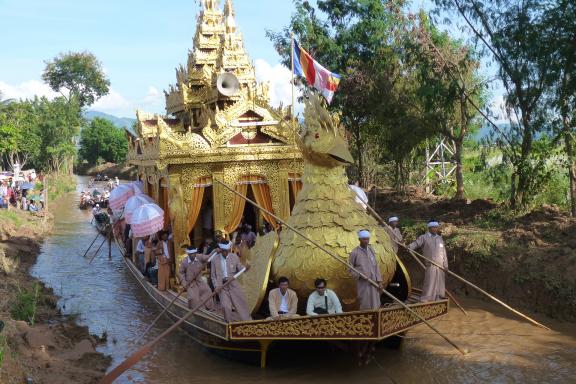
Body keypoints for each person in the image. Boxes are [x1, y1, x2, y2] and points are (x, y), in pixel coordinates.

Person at [210, 241, 252, 322]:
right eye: (223, 251)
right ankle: (228, 324)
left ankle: (248, 322)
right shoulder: (214, 259)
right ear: (221, 250)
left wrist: (246, 268)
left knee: (241, 303)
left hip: (233, 284)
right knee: (226, 306)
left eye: (227, 250)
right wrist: (216, 286)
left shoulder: (234, 257)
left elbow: (240, 268)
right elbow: (213, 276)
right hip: (221, 286)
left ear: (229, 249)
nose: (225, 252)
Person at [408, 220, 448, 302]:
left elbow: (444, 252)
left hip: (441, 266)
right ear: (429, 228)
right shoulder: (424, 237)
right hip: (431, 265)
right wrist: (408, 247)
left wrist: (446, 265)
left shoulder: (440, 238)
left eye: (437, 227)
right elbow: (416, 243)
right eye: (434, 227)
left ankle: (439, 298)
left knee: (440, 284)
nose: (436, 229)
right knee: (429, 283)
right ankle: (427, 299)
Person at [348, 229, 383, 310]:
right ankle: (366, 320)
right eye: (364, 239)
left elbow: (376, 266)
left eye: (367, 239)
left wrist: (380, 281)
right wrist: (359, 275)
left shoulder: (371, 250)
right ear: (359, 239)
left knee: (375, 302)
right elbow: (350, 268)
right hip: (363, 283)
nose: (366, 241)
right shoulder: (354, 252)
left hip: (374, 282)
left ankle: (375, 318)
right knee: (365, 302)